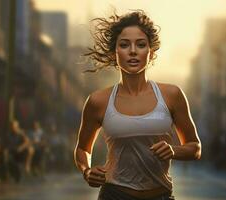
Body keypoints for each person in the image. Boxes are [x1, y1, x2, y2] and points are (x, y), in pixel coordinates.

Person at [74, 10, 201, 200]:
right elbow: (82, 149)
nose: (133, 51)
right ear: (114, 52)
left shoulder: (172, 95)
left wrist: (174, 150)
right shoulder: (98, 101)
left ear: (151, 52)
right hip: (114, 195)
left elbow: (195, 147)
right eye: (124, 45)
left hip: (161, 196)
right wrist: (87, 171)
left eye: (141, 45)